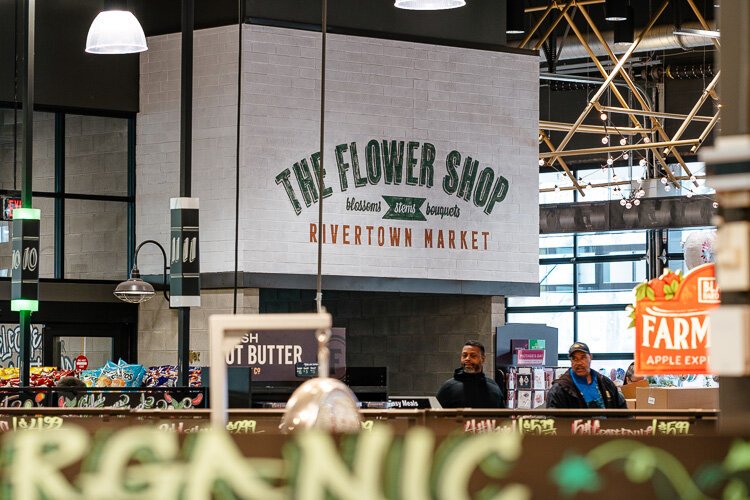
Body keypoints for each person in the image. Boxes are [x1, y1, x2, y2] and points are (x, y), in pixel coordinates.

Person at [546, 342, 626, 409]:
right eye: (575, 359)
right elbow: (553, 422)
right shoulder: (559, 390)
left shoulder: (605, 383)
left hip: (606, 427)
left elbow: (623, 411)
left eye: (583, 358)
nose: (579, 363)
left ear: (590, 357)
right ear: (570, 361)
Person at [436, 340, 504, 408]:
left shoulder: (493, 387)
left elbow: (503, 416)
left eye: (473, 356)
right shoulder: (448, 387)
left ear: (483, 359)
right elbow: (434, 416)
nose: (467, 359)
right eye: (464, 355)